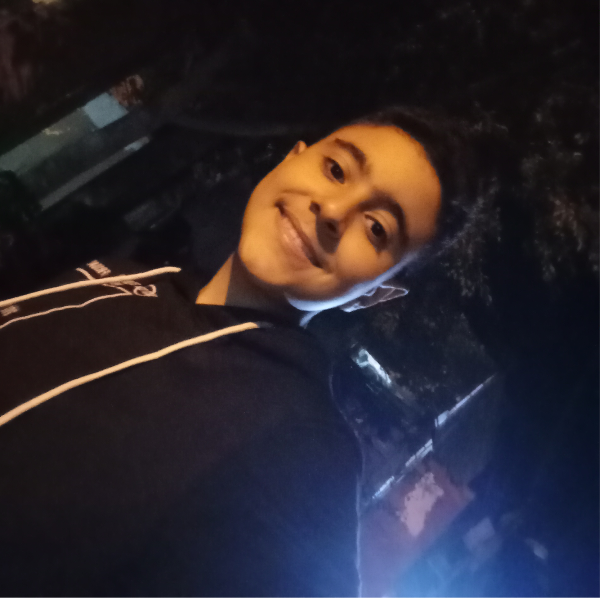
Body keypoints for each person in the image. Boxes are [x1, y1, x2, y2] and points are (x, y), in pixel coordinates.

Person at [0, 106, 490, 597]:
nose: (333, 211)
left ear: (376, 293)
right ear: (291, 159)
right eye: (336, 170)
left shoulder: (302, 453)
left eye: (377, 228)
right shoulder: (128, 275)